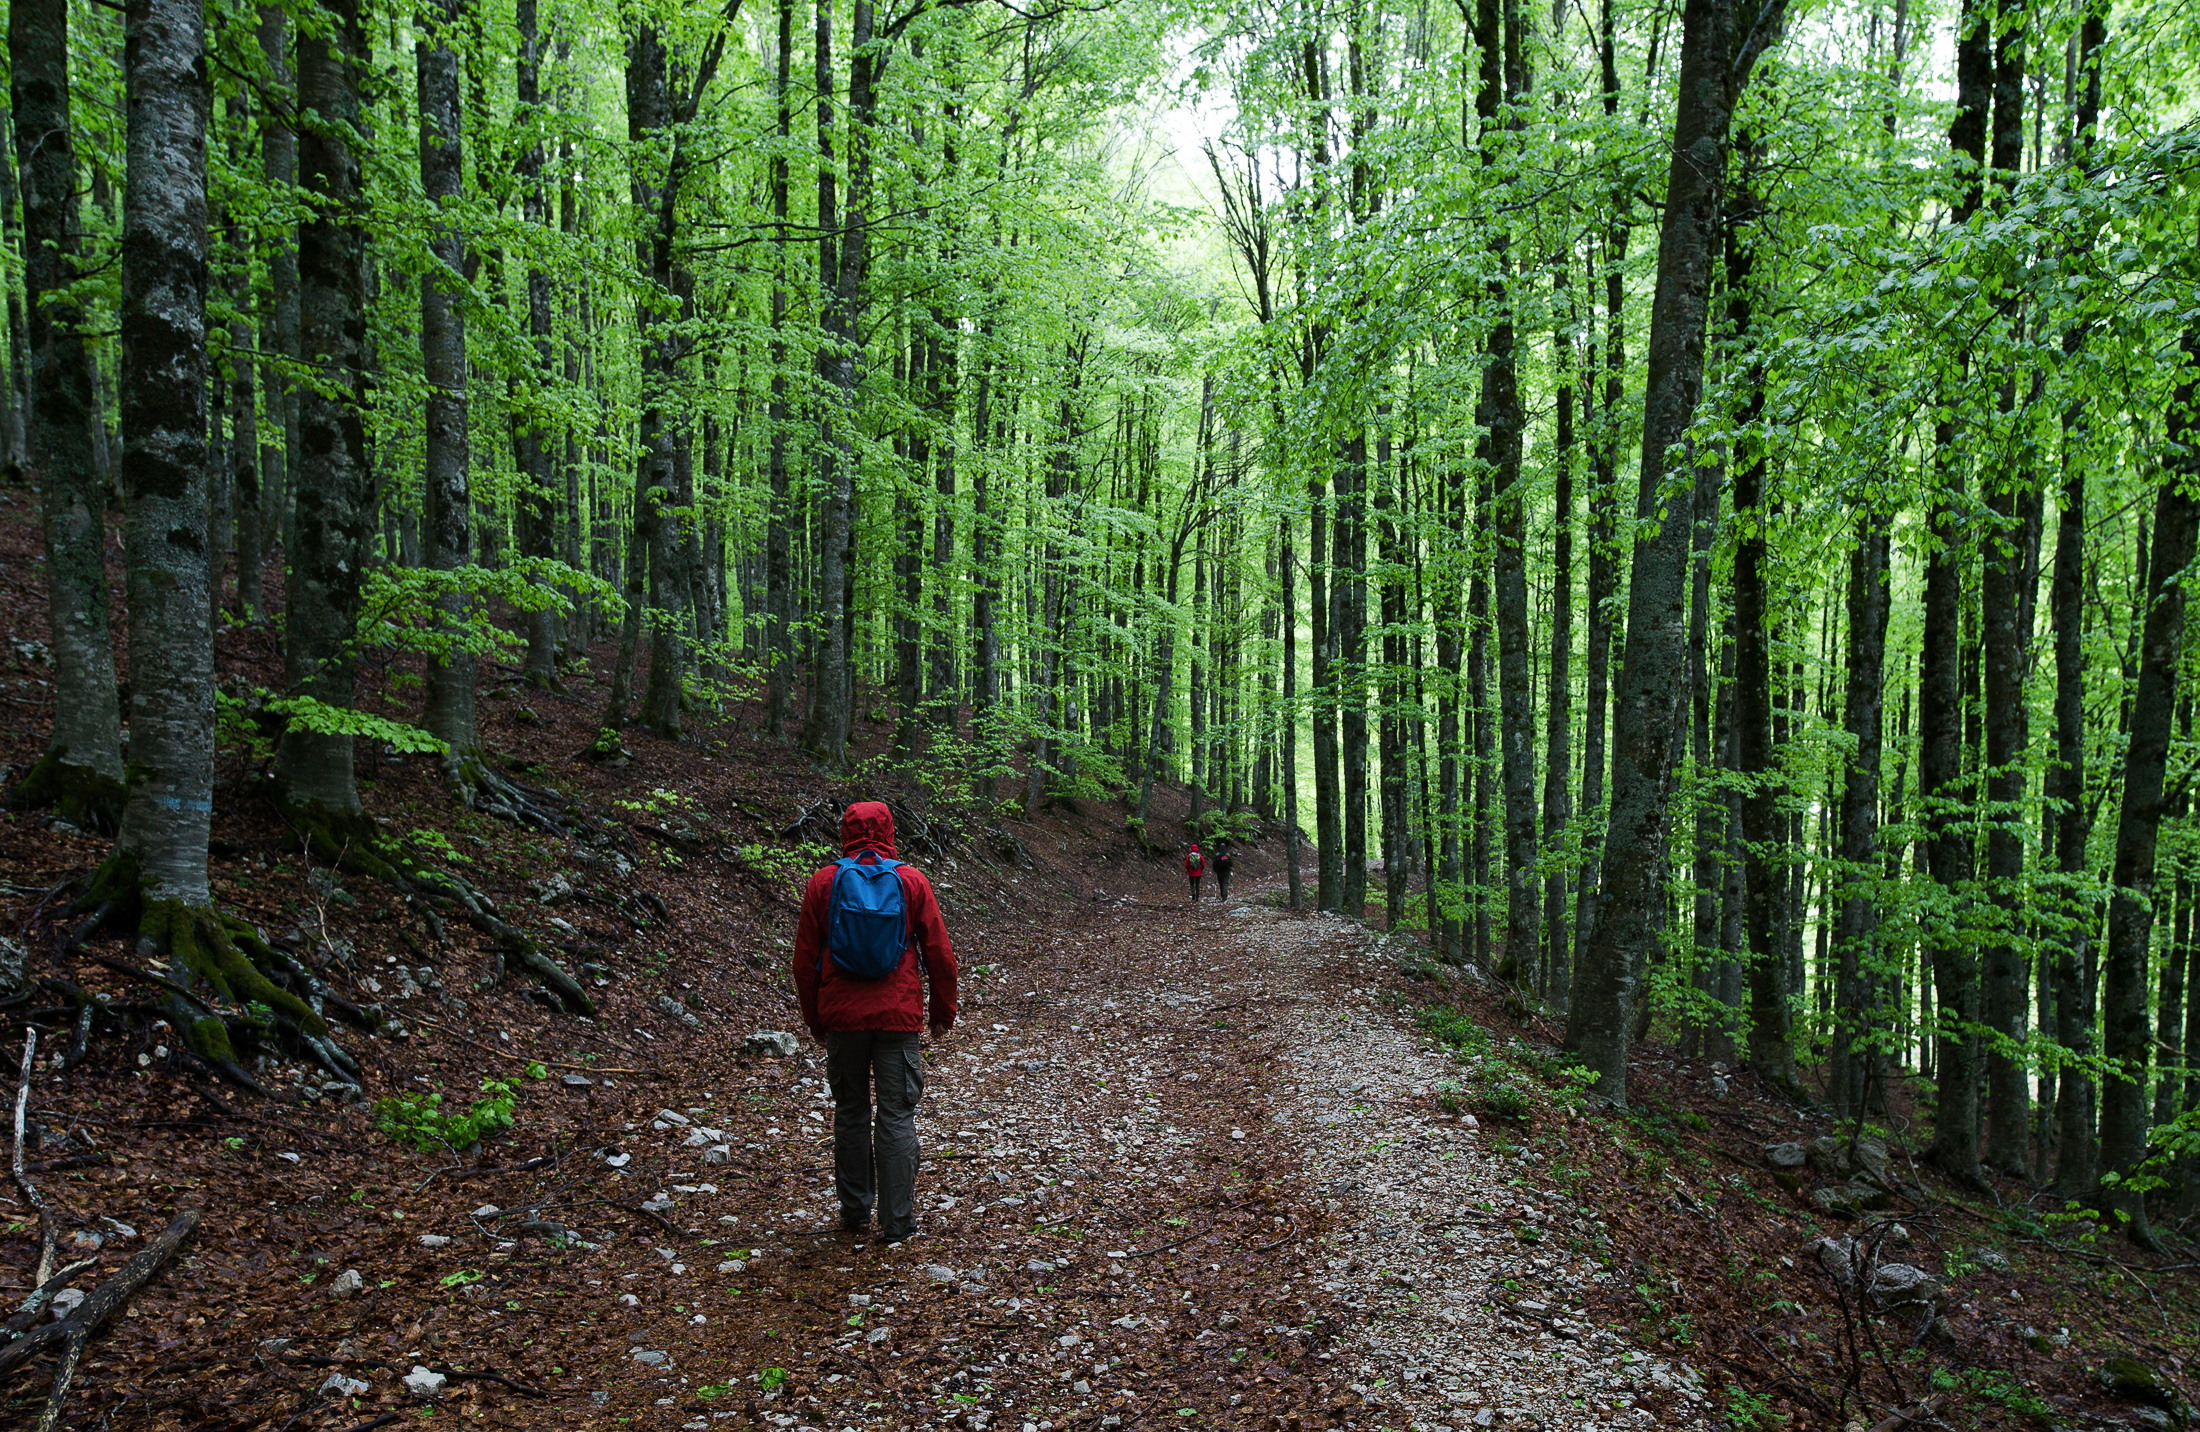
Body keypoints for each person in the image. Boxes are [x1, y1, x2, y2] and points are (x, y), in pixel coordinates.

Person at [793, 801, 957, 1244]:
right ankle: (897, 1222)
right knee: (897, 1114)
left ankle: (854, 1212)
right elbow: (940, 955)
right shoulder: (910, 880)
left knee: (850, 1111)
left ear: (845, 830)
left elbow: (804, 960)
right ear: (889, 830)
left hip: (843, 1019)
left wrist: (816, 1020)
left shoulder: (825, 882)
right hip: (898, 1017)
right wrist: (943, 1013)